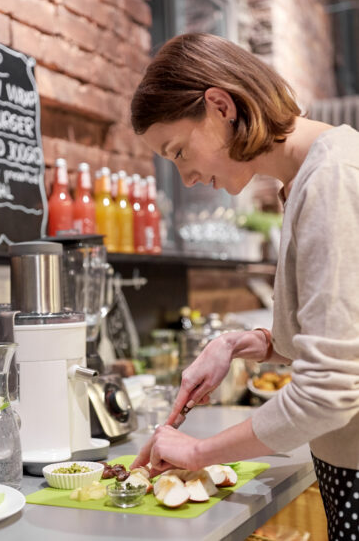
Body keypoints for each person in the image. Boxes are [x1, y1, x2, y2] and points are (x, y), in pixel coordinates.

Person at [129, 33, 359, 540]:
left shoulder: (333, 179)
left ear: (220, 105)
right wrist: (234, 345)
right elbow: (334, 335)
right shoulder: (302, 181)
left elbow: (330, 391)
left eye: (179, 151)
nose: (186, 177)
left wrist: (196, 451)